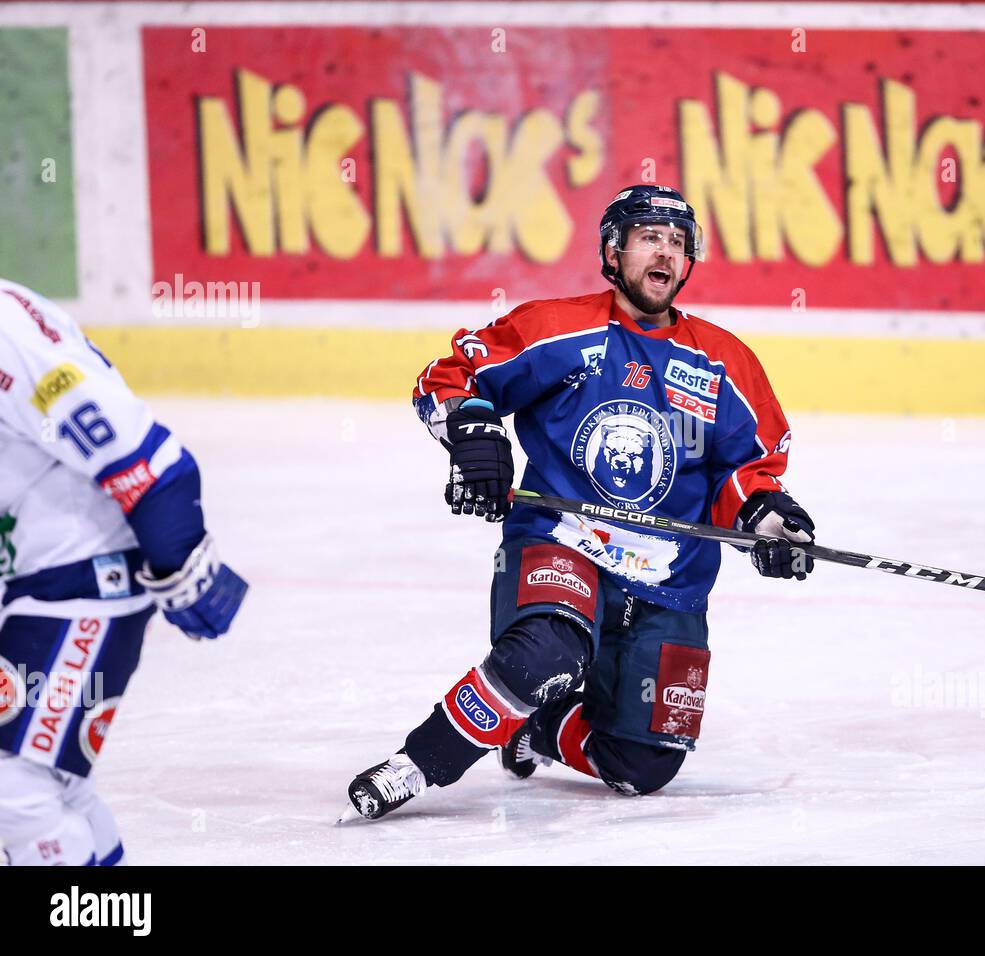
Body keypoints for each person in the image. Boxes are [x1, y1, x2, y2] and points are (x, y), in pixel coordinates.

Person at [345, 184, 815, 819]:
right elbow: (452, 376)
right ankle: (420, 763)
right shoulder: (558, 329)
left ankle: (528, 728)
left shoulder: (724, 363)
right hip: (563, 539)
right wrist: (475, 435)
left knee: (642, 766)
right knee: (547, 652)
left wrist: (767, 517)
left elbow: (749, 470)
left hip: (666, 581)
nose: (666, 253)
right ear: (613, 251)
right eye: (651, 237)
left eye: (678, 242)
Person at [0, 278, 248, 865]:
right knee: (54, 786)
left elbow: (153, 465)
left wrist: (178, 557)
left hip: (83, 579)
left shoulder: (6, 337)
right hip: (35, 581)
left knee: (16, 789)